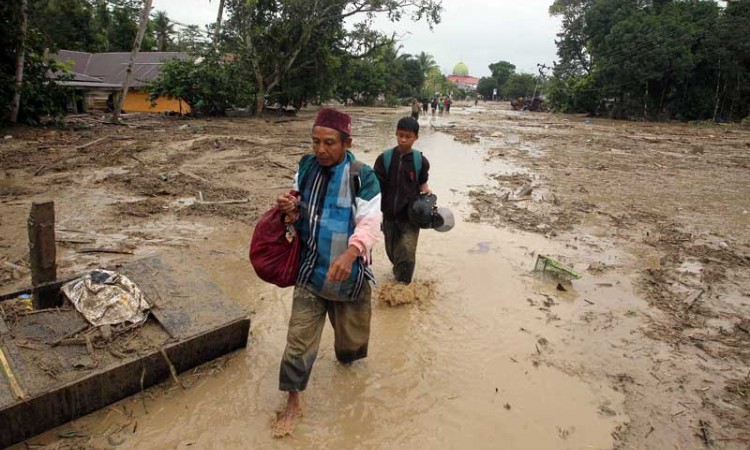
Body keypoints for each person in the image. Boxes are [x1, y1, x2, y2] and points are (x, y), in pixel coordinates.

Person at [274, 108, 382, 437]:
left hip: (349, 278)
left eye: (329, 143)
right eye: (315, 142)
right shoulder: (306, 166)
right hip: (310, 270)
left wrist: (351, 253)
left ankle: (348, 373)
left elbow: (370, 221)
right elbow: (298, 199)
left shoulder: (363, 175)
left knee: (350, 347)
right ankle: (293, 402)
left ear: (347, 142)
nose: (321, 149)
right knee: (297, 342)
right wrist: (290, 207)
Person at [373, 116, 431, 284]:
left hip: (411, 216)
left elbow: (422, 182)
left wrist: (426, 191)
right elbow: (376, 186)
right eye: (400, 135)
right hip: (389, 215)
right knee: (392, 251)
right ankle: (398, 275)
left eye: (408, 136)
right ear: (396, 134)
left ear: (416, 137)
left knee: (407, 252)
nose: (403, 140)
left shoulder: (421, 161)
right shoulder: (384, 159)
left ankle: (403, 287)